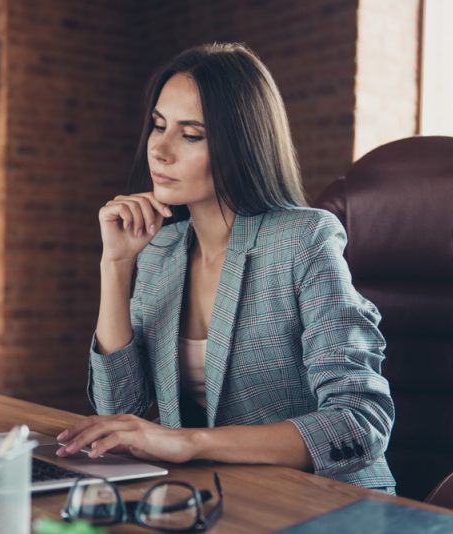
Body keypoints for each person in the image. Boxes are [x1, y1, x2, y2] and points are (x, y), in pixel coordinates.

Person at [56, 43, 396, 493]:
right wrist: (116, 265)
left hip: (327, 502)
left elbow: (359, 424)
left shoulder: (304, 240)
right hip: (221, 498)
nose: (159, 149)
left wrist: (188, 442)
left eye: (190, 134)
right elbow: (121, 414)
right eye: (158, 126)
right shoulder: (162, 250)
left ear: (241, 143)